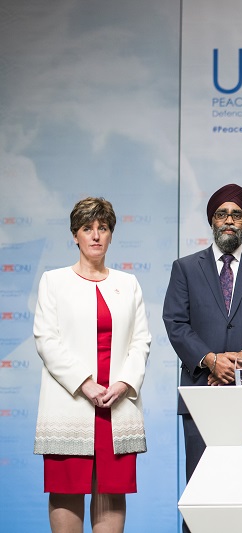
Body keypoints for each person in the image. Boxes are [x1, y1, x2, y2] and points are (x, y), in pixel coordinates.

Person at [163, 183, 242, 533]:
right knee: (203, 495)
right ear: (212, 221)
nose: (229, 221)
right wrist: (209, 359)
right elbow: (175, 322)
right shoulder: (185, 268)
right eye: (222, 214)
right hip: (202, 396)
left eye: (237, 215)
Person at [33, 197, 150, 533]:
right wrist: (85, 383)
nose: (96, 235)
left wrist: (123, 384)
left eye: (103, 228)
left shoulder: (128, 283)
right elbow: (46, 340)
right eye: (88, 228)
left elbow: (141, 341)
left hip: (116, 406)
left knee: (112, 490)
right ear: (75, 235)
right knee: (66, 488)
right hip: (70, 404)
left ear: (111, 234)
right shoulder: (53, 281)